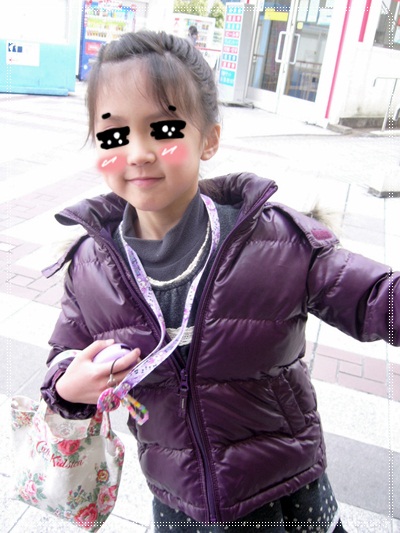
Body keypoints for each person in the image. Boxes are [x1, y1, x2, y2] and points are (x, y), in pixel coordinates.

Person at [41, 31, 399, 532]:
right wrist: (69, 385)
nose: (138, 152)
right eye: (115, 134)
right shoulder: (91, 266)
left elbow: (376, 298)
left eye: (164, 128)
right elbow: (63, 355)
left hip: (287, 488)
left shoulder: (274, 241)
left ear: (208, 138)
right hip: (179, 501)